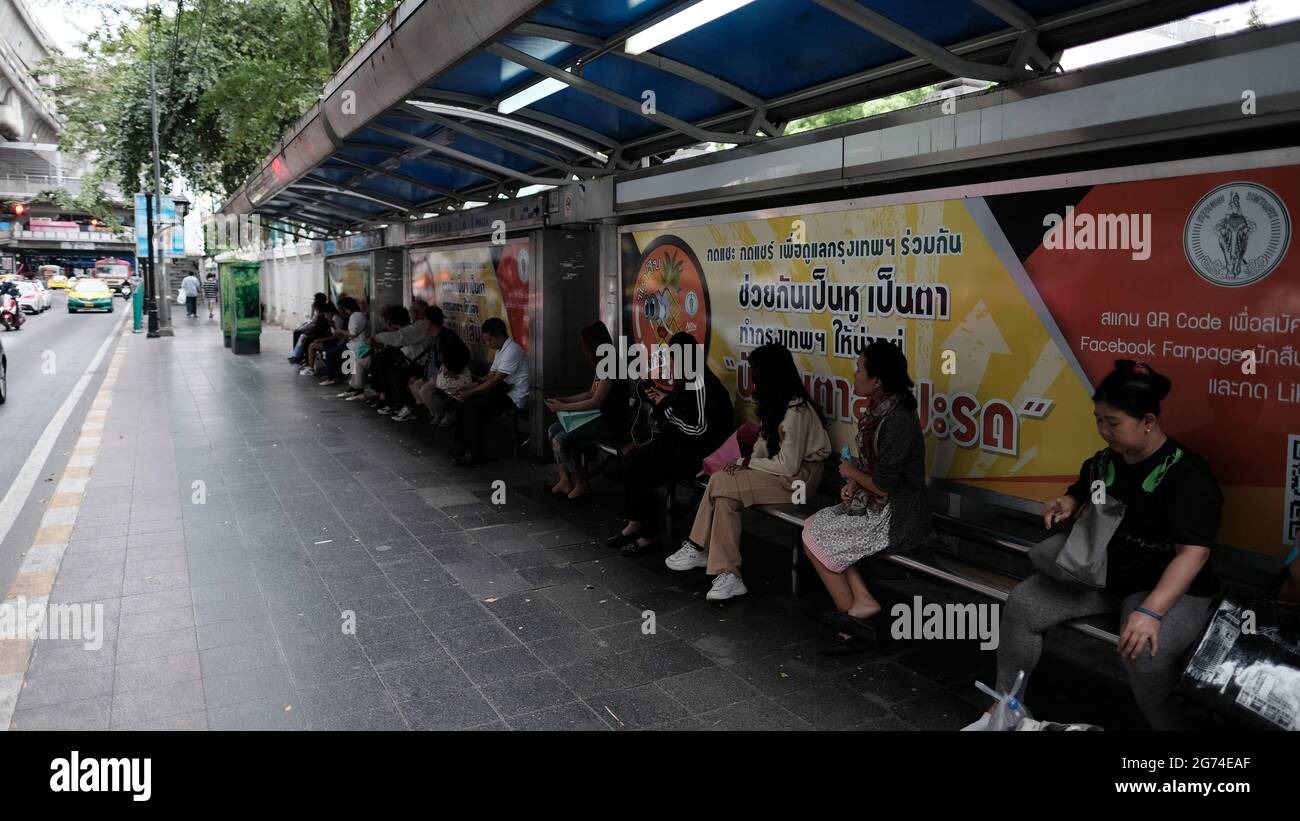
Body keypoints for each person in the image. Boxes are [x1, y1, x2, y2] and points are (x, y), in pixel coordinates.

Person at [967, 360, 1222, 732]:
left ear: (1148, 421)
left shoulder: (1187, 475)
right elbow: (1083, 488)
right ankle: (1004, 707)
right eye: (1098, 420)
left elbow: (1193, 553)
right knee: (1023, 604)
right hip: (1103, 575)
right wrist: (1067, 503)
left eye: (1113, 423)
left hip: (1164, 589)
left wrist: (1150, 613)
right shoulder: (1105, 462)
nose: (1103, 431)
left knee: (1144, 652)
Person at [664, 343, 831, 601]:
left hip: (799, 483)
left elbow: (789, 466)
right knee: (725, 494)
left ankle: (699, 546)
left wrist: (747, 464)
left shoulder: (797, 411)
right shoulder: (774, 404)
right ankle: (729, 575)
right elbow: (763, 450)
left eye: (756, 371)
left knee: (720, 482)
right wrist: (747, 463)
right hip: (776, 476)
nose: (753, 377)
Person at [802, 342, 929, 638]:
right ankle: (860, 603)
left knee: (816, 538)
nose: (854, 374)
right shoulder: (879, 411)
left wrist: (850, 473)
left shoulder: (896, 420)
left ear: (877, 381)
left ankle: (852, 621)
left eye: (860, 369)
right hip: (877, 504)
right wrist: (854, 483)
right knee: (815, 526)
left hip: (898, 514)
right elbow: (875, 470)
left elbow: (883, 484)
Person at [606, 331, 734, 556]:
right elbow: (673, 420)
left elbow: (699, 430)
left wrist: (664, 405)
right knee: (629, 457)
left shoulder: (702, 384)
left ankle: (650, 534)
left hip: (700, 455)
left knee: (642, 471)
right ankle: (635, 521)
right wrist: (656, 403)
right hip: (681, 446)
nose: (670, 364)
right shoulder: (685, 381)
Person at [544, 321, 628, 500]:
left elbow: (595, 401)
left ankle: (581, 482)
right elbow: (591, 393)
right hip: (598, 417)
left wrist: (562, 407)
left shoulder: (611, 363)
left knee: (561, 439)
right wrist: (564, 400)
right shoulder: (604, 361)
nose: (582, 347)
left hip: (610, 421)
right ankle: (565, 478)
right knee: (553, 430)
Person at [449, 317, 529, 466]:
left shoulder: (512, 350)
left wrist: (472, 392)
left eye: (489, 340)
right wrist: (469, 386)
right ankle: (463, 445)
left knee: (472, 406)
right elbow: (489, 376)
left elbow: (496, 380)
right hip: (503, 390)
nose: (487, 344)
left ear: (499, 336)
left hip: (513, 396)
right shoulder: (500, 350)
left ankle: (476, 452)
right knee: (462, 403)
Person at [414, 329, 472, 427]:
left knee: (425, 391)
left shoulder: (447, 339)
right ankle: (437, 412)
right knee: (415, 385)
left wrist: (451, 368)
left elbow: (461, 359)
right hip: (436, 373)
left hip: (451, 374)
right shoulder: (435, 340)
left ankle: (447, 410)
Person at [319, 297, 367, 386]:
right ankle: (341, 375)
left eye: (340, 308)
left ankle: (331, 378)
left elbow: (352, 333)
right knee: (336, 352)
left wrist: (340, 331)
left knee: (330, 353)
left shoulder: (354, 316)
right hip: (356, 344)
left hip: (356, 346)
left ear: (346, 308)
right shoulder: (359, 315)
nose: (339, 311)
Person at [290, 293, 330, 363]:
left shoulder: (323, 310)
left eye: (315, 299)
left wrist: (307, 329)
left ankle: (299, 356)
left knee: (300, 334)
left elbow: (316, 324)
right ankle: (296, 355)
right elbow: (312, 319)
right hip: (312, 326)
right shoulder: (316, 307)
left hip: (316, 330)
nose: (314, 301)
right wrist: (312, 310)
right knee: (297, 332)